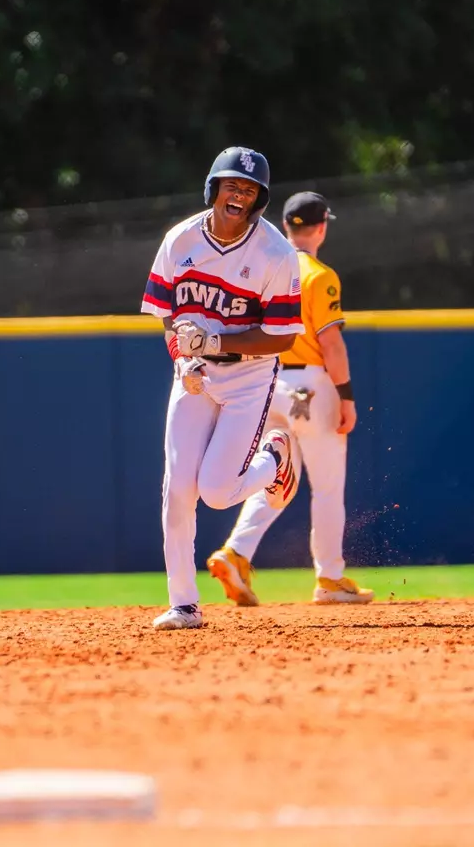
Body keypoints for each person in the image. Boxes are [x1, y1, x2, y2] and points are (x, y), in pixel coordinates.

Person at [141, 146, 305, 631]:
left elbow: (284, 335)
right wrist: (183, 357)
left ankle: (276, 459)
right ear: (214, 188)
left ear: (259, 201)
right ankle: (184, 604)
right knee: (177, 491)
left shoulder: (274, 252)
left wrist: (214, 340)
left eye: (250, 189)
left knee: (216, 491)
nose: (239, 194)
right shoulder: (180, 239)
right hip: (194, 376)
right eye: (232, 184)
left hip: (248, 380)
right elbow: (168, 313)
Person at [206, 191, 374, 606]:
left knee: (278, 478)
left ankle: (236, 552)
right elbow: (330, 342)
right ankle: (330, 579)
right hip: (311, 386)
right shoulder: (319, 275)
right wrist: (346, 396)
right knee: (327, 487)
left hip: (265, 384)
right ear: (321, 227)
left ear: (285, 226)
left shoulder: (263, 270)